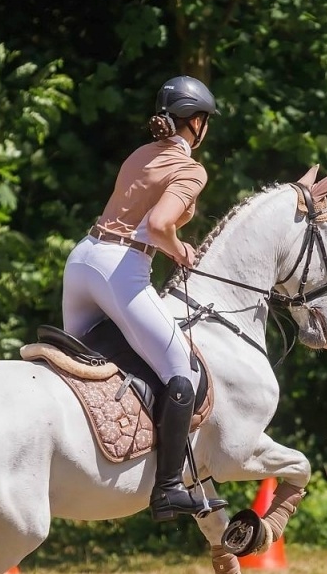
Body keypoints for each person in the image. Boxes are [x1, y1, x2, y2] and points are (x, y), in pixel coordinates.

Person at [62, 75, 227, 521]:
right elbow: (158, 226)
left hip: (82, 262)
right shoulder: (190, 168)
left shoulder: (140, 154)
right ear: (195, 123)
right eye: (205, 120)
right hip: (121, 269)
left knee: (78, 371)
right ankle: (168, 488)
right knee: (182, 373)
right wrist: (180, 251)